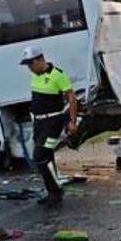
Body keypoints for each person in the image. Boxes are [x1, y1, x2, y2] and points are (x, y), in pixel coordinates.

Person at [20, 46, 78, 206]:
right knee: (47, 157)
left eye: (31, 64)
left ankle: (56, 191)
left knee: (39, 155)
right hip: (38, 123)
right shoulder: (36, 76)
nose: (29, 68)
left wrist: (72, 121)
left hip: (53, 123)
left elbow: (72, 98)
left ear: (40, 59)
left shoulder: (57, 75)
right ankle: (53, 191)